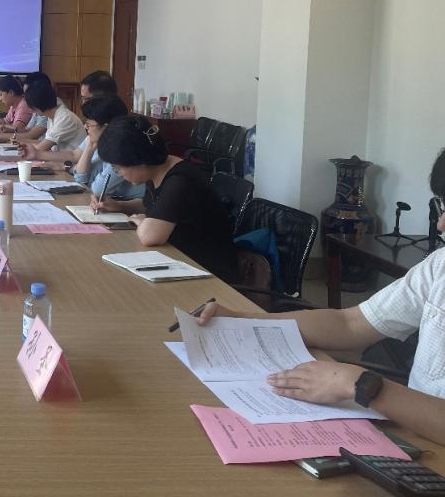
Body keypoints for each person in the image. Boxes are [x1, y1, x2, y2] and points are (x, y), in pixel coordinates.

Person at [194, 148, 445, 445]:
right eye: (442, 206)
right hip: (416, 438)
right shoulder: (439, 267)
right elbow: (351, 323)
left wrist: (362, 384)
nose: (440, 225)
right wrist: (243, 321)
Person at [95, 114, 236, 282]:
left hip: (208, 273)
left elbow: (149, 236)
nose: (118, 172)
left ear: (138, 161)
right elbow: (152, 206)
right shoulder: (158, 169)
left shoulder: (180, 181)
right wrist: (119, 206)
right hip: (179, 261)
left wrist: (143, 222)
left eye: (117, 167)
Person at [0, 72, 51, 143]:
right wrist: (11, 130)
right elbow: (27, 129)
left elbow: (31, 135)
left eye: (28, 94)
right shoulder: (39, 107)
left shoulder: (47, 108)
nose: (25, 98)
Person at [22, 80, 85, 153]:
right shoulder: (52, 116)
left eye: (31, 107)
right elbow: (44, 142)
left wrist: (21, 145)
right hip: (62, 157)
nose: (30, 110)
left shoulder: (64, 118)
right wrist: (20, 144)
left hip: (75, 159)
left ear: (36, 105)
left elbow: (40, 148)